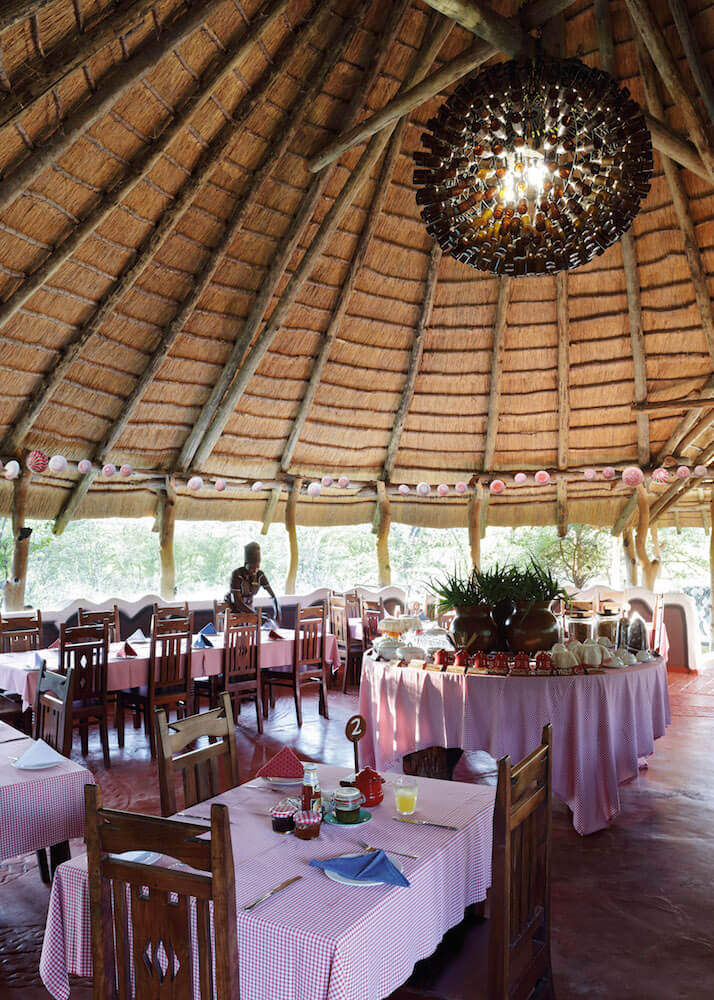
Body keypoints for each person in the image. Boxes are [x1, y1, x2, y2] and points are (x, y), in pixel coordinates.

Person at [227, 542, 281, 625]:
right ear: (245, 564)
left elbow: (273, 596)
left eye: (257, 567)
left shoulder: (260, 575)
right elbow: (237, 602)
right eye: (252, 568)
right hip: (233, 612)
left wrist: (277, 613)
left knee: (265, 622)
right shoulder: (237, 574)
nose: (254, 571)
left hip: (249, 610)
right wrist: (256, 615)